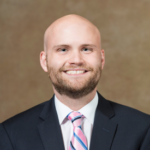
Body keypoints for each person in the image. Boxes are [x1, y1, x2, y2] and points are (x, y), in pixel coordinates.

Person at [0, 14, 150, 150]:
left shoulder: (144, 129)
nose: (76, 60)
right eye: (63, 50)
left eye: (86, 49)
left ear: (102, 59)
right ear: (44, 61)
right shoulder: (10, 134)